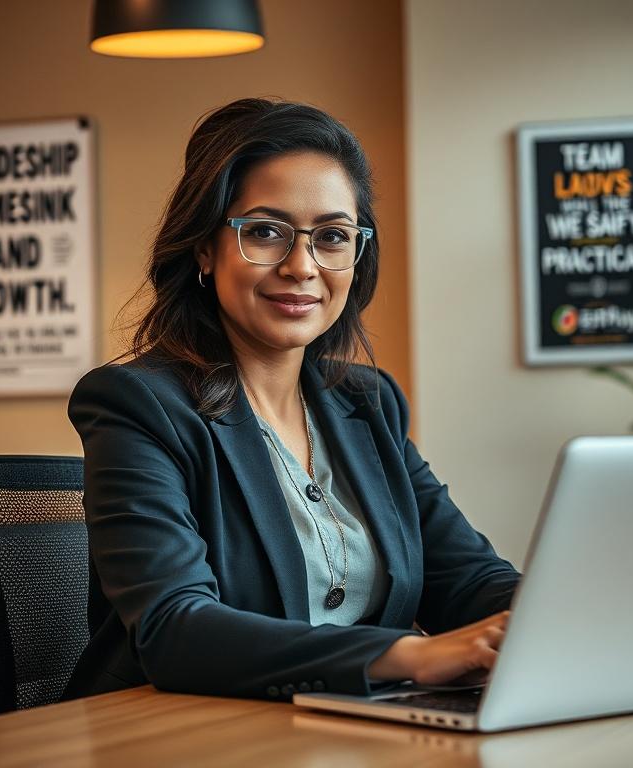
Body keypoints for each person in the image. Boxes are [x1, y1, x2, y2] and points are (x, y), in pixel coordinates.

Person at [61, 98, 521, 703]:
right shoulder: (138, 405)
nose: (302, 266)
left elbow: (465, 577)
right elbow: (175, 631)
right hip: (182, 735)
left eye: (331, 236)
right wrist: (407, 654)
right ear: (205, 248)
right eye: (265, 232)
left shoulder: (369, 404)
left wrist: (543, 619)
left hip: (352, 728)